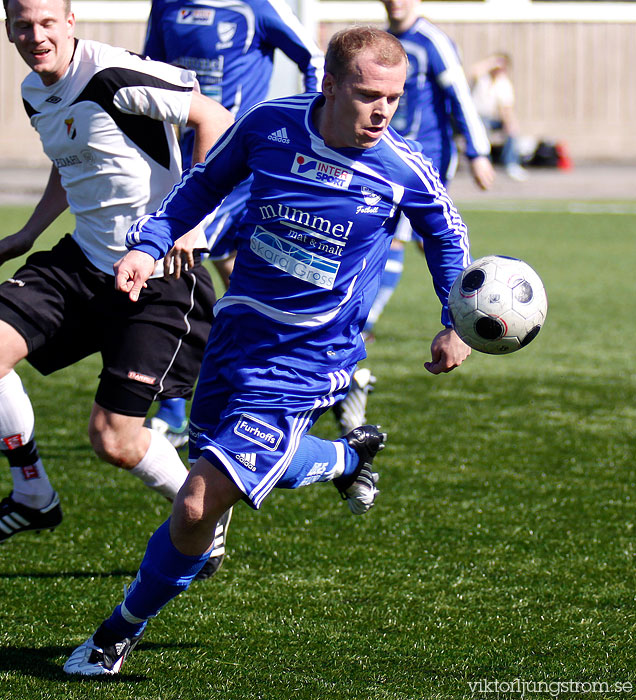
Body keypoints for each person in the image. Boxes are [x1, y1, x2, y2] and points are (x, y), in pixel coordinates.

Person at [63, 25, 472, 676]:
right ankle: (345, 456)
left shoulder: (401, 167)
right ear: (330, 85)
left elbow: (447, 236)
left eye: (393, 99)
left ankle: (114, 635)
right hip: (235, 336)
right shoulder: (270, 124)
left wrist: (457, 320)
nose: (383, 113)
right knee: (207, 497)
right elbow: (202, 184)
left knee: (197, 499)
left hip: (311, 359)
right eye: (369, 95)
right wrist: (147, 244)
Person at [0, 0, 233, 555]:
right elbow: (72, 161)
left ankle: (205, 518)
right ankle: (32, 492)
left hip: (155, 275)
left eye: (47, 23)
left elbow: (215, 118)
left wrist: (189, 224)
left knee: (113, 440)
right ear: (8, 28)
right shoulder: (36, 93)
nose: (36, 36)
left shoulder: (110, 74)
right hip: (81, 263)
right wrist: (29, 233)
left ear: (69, 22)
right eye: (22, 25)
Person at [142, 0, 325, 446]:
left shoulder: (256, 9)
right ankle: (316, 374)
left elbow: (314, 58)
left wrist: (311, 117)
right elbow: (149, 68)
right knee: (241, 278)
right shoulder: (167, 4)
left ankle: (173, 407)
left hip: (232, 162)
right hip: (179, 161)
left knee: (176, 256)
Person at [362, 0, 494, 343]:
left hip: (425, 159)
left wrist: (478, 151)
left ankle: (365, 324)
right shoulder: (384, 41)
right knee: (423, 241)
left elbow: (460, 95)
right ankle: (485, 300)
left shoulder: (432, 41)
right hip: (385, 156)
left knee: (396, 239)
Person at [470, 52, 528, 181]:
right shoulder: (482, 77)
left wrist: (510, 124)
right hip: (475, 117)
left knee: (512, 129)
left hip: (492, 118)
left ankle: (511, 164)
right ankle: (484, 161)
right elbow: (474, 71)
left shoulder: (503, 83)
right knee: (482, 126)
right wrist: (492, 62)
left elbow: (506, 108)